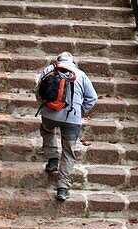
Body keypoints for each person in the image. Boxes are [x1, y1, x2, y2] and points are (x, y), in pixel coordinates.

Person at [36, 51, 97, 201]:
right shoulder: (80, 74)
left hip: (49, 114)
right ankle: (62, 188)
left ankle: (52, 159)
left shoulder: (48, 70)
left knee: (46, 130)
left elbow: (38, 92)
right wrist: (79, 111)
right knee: (68, 151)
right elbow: (92, 97)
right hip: (72, 118)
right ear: (73, 62)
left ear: (58, 60)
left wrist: (45, 108)